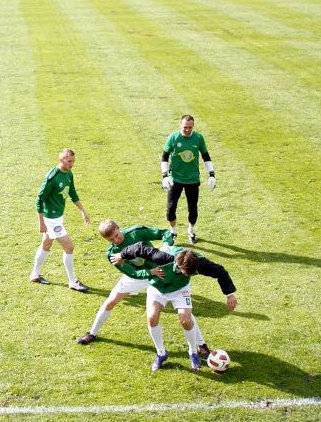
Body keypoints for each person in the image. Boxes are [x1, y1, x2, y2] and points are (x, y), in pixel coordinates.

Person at [76, 219, 208, 354]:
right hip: (140, 276)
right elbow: (131, 273)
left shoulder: (136, 232)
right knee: (110, 301)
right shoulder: (112, 253)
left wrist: (166, 247)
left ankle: (201, 345)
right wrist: (150, 272)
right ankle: (92, 333)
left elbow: (165, 233)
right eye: (111, 239)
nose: (116, 240)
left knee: (183, 309)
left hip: (161, 274)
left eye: (117, 235)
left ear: (118, 227)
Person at [110, 243, 237, 370]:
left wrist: (230, 294)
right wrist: (122, 255)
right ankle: (161, 354)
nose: (187, 275)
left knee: (186, 320)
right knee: (152, 318)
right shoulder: (163, 257)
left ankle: (193, 352)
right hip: (158, 288)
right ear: (178, 264)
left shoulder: (200, 262)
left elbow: (220, 271)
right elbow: (139, 247)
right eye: (185, 272)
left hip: (180, 290)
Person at [30, 148, 90, 292]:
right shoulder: (52, 177)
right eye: (69, 161)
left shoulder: (69, 173)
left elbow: (73, 193)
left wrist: (83, 211)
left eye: (73, 161)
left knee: (46, 244)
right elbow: (39, 199)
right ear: (61, 160)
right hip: (51, 220)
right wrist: (41, 222)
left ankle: (34, 274)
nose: (72, 164)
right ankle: (73, 281)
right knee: (69, 247)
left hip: (58, 217)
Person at [161, 115, 216, 244]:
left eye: (189, 127)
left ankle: (191, 231)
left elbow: (206, 156)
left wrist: (212, 174)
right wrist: (164, 176)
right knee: (170, 208)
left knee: (193, 208)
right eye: (185, 127)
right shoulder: (173, 138)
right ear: (180, 125)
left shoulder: (198, 138)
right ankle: (173, 231)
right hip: (175, 179)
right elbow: (164, 157)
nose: (187, 130)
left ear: (193, 126)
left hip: (192, 180)